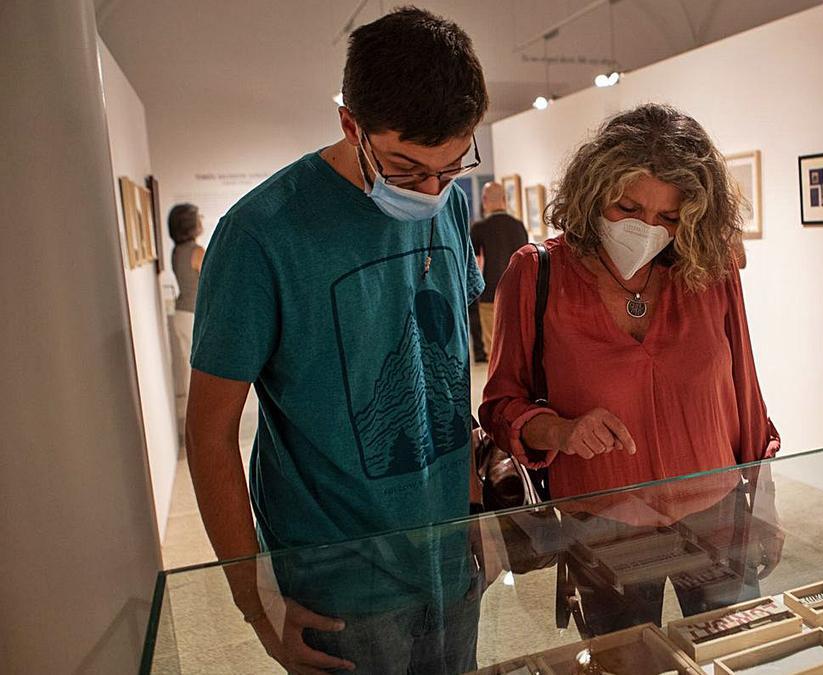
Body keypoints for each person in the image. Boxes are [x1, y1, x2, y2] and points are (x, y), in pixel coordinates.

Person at [186, 7, 487, 674]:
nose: (435, 191)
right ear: (351, 124)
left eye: (453, 164)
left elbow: (449, 371)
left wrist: (473, 509)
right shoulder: (261, 233)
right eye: (409, 170)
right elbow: (209, 435)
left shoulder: (454, 203)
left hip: (449, 560)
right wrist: (255, 599)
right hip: (340, 584)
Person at [479, 103, 782, 634]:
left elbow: (745, 393)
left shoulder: (707, 271)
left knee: (733, 653)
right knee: (624, 663)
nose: (647, 228)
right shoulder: (536, 273)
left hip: (715, 514)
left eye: (668, 217)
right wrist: (562, 430)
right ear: (594, 192)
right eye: (627, 207)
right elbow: (501, 404)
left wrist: (764, 503)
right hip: (603, 525)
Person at [470, 181, 528, 362]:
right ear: (505, 199)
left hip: (489, 293)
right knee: (515, 346)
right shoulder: (518, 226)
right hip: (517, 293)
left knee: (493, 348)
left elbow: (472, 262)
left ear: (484, 200)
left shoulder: (479, 228)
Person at [167, 203, 204, 432]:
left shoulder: (176, 251)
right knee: (200, 370)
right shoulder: (196, 251)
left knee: (189, 367)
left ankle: (195, 421)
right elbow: (212, 279)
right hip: (193, 313)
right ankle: (200, 422)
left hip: (180, 312)